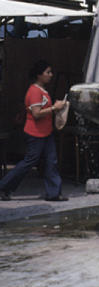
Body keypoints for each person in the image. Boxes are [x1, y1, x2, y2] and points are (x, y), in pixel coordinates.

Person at [0, 60, 68, 202]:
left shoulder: (42, 91)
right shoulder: (35, 91)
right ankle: (3, 187)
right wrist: (55, 108)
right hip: (35, 133)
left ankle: (54, 193)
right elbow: (36, 113)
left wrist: (56, 108)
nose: (51, 75)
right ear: (39, 75)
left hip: (46, 132)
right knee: (29, 162)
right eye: (48, 72)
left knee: (51, 161)